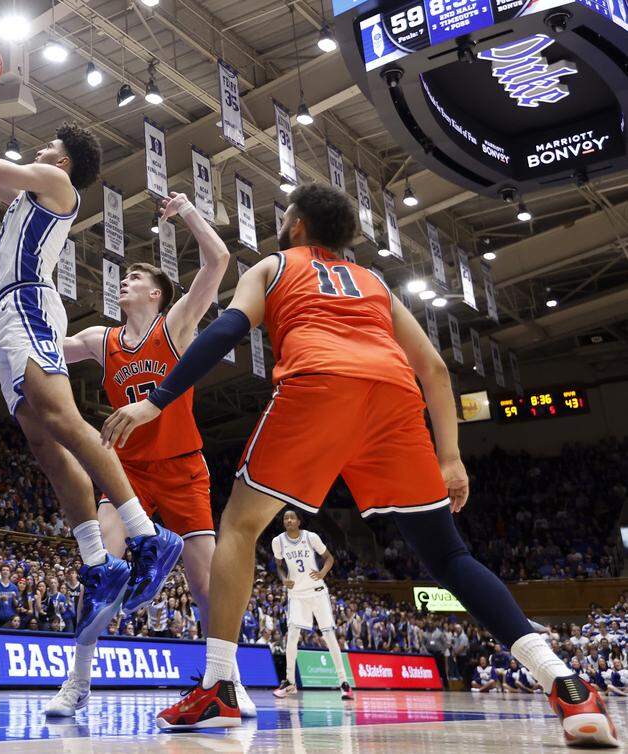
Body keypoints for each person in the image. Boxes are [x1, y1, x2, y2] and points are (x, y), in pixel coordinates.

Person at [105, 183, 618, 745]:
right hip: (394, 398)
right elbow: (436, 371)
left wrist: (156, 399)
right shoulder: (374, 282)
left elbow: (228, 329)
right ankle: (566, 685)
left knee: (240, 525)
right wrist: (451, 458)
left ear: (297, 224)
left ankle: (219, 687)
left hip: (319, 386)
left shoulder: (275, 264)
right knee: (448, 555)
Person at [0, 68, 182, 645]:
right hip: (9, 316)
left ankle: (145, 534)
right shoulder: (29, 193)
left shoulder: (57, 185)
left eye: (48, 146)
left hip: (31, 307)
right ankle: (99, 560)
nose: (38, 148)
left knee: (63, 418)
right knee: (42, 440)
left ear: (61, 163)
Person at [50, 191, 254, 717]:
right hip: (126, 473)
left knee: (206, 582)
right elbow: (51, 348)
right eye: (124, 279)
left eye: (136, 278)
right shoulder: (102, 338)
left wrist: (187, 210)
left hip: (183, 467)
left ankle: (225, 680)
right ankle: (77, 682)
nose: (125, 282)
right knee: (99, 570)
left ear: (158, 294)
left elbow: (219, 262)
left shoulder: (177, 326)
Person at [269, 510, 352, 701]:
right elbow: (279, 565)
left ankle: (344, 683)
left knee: (330, 637)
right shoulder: (277, 541)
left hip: (317, 593)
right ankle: (290, 682)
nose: (288, 520)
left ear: (299, 521)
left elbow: (329, 558)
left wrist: (322, 573)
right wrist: (283, 579)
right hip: (296, 594)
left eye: (292, 518)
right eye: (285, 518)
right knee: (291, 638)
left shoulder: (310, 537)